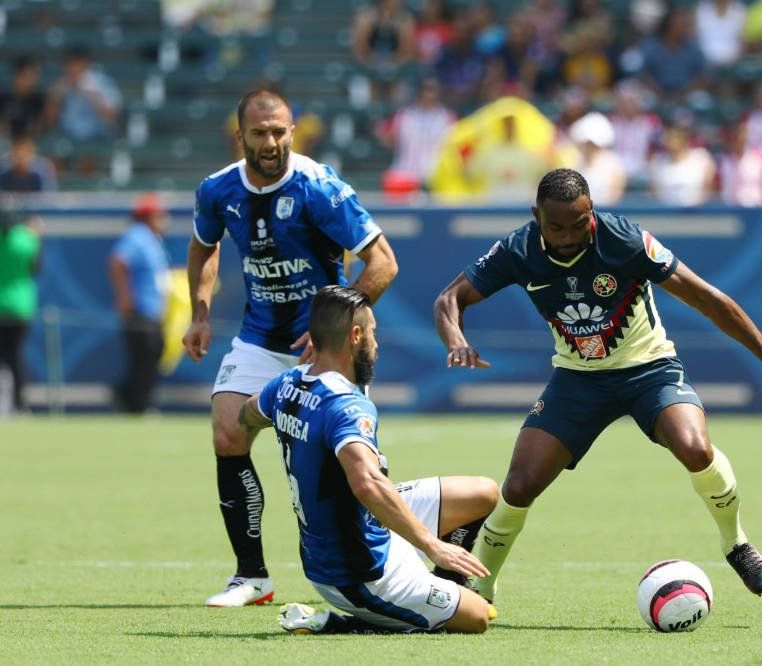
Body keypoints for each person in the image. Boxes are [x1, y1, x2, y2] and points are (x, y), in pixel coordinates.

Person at [433, 168, 762, 604]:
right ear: (536, 216)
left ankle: (736, 544)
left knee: (695, 448)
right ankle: (481, 588)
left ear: (592, 209)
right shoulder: (517, 249)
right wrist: (457, 341)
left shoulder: (624, 240)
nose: (570, 236)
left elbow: (706, 297)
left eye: (580, 223)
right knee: (519, 486)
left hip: (648, 368)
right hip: (578, 379)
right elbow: (450, 299)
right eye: (557, 227)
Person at [183, 88, 399, 607]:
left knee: (347, 463)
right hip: (259, 338)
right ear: (241, 137)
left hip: (323, 347)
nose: (270, 142)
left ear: (292, 130)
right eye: (259, 133)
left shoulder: (319, 187)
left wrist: (335, 322)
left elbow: (383, 263)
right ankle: (251, 577)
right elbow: (203, 247)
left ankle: (377, 565)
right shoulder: (216, 191)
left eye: (279, 131)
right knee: (227, 430)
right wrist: (200, 313)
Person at [236, 285, 497, 634]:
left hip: (359, 529)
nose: (377, 342)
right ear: (355, 335)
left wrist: (284, 410)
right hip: (358, 571)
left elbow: (246, 414)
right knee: (479, 618)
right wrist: (432, 545)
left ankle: (444, 583)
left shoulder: (286, 384)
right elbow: (367, 483)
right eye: (373, 332)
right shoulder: (347, 404)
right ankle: (341, 624)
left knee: (483, 492)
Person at [108, 193, 170, 414]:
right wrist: (125, 297)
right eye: (160, 214)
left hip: (152, 310)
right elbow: (118, 261)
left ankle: (131, 399)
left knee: (151, 357)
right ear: (148, 216)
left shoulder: (152, 239)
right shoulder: (137, 236)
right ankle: (135, 403)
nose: (164, 219)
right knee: (142, 359)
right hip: (140, 310)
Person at [0, 207, 40, 415]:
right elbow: (35, 268)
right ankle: (19, 404)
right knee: (15, 357)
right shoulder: (26, 240)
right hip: (20, 307)